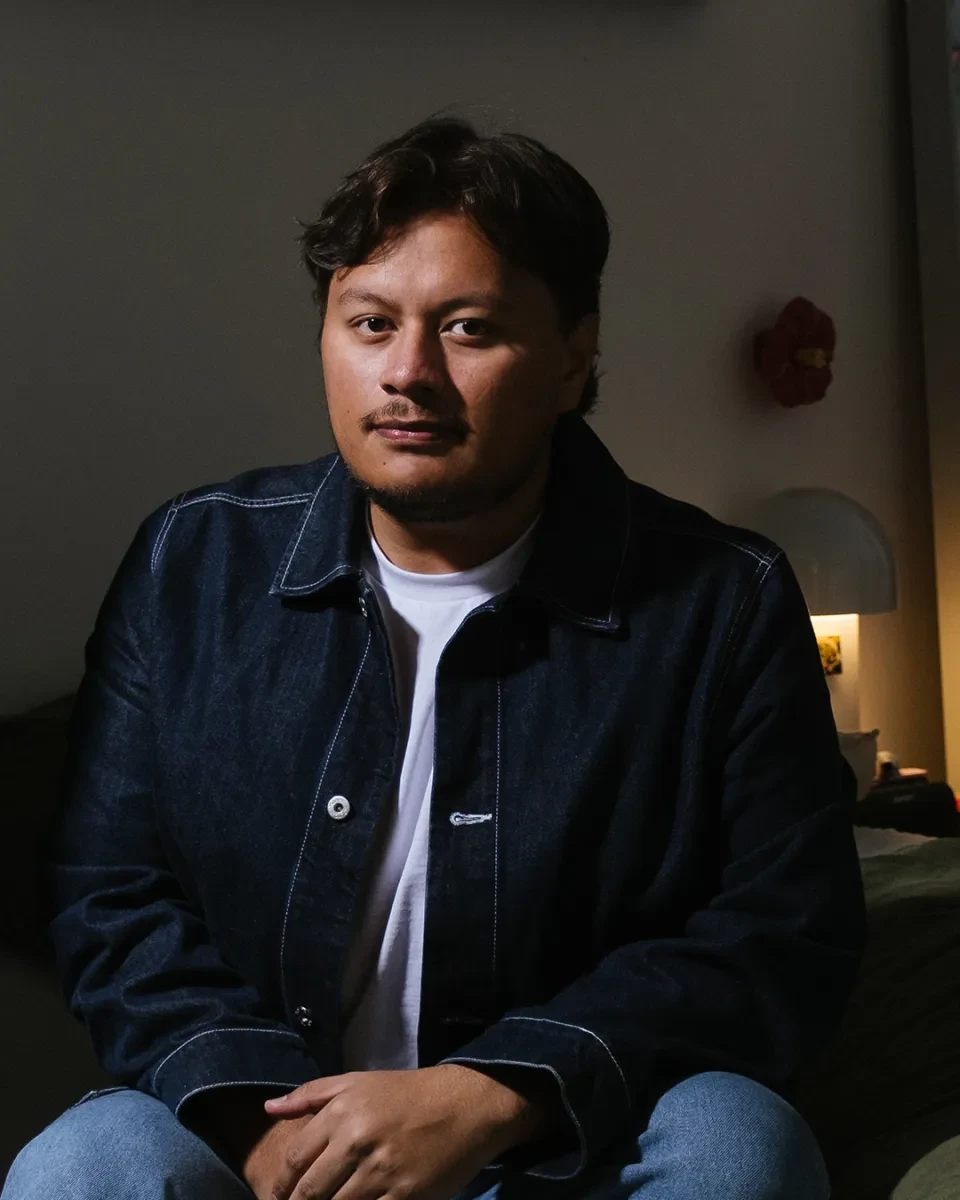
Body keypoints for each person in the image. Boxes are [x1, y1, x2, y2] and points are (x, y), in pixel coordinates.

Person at [3, 115, 865, 1200]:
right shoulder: (195, 562)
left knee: (739, 1142)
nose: (407, 374)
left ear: (573, 357)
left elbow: (785, 928)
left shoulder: (723, 602)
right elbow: (107, 893)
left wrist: (496, 1092)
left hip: (565, 1143)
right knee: (84, 1164)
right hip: (265, 1136)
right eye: (370, 324)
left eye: (468, 330)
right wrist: (260, 1127)